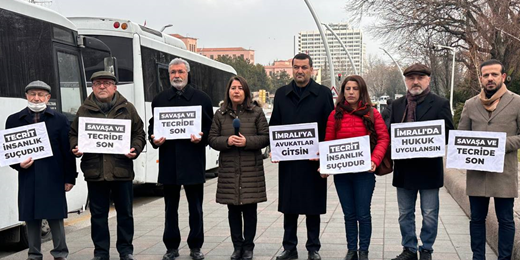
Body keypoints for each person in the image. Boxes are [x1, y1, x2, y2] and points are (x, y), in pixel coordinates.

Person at [69, 71, 146, 260]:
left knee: (125, 215)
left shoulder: (128, 108)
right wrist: (75, 147)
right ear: (93, 87)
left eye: (106, 83)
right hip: (95, 171)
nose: (102, 87)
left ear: (115, 87)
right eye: (97, 83)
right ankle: (101, 252)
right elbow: (73, 134)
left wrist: (135, 148)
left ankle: (126, 251)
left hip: (121, 170)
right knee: (98, 216)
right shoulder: (83, 110)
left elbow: (139, 134)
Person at [269, 53, 334, 260]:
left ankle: (313, 247)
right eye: (296, 67)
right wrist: (275, 147)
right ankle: (289, 247)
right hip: (289, 162)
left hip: (313, 162)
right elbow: (275, 125)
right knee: (289, 207)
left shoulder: (323, 94)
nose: (300, 71)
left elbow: (329, 127)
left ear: (311, 70)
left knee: (312, 207)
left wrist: (323, 154)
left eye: (304, 67)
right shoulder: (281, 94)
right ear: (292, 69)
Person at [148, 58, 213, 260]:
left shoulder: (202, 98)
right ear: (168, 75)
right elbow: (153, 126)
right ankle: (171, 247)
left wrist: (201, 138)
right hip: (169, 162)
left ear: (187, 73)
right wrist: (154, 140)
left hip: (193, 160)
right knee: (170, 209)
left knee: (196, 208)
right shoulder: (160, 99)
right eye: (173, 72)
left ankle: (196, 247)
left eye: (180, 72)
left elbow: (210, 130)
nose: (177, 75)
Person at [387, 63, 454, 260]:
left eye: (420, 78)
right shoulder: (398, 104)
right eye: (411, 78)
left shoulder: (440, 103)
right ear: (406, 81)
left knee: (430, 214)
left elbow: (449, 134)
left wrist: (428, 139)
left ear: (428, 80)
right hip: (404, 170)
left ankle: (426, 249)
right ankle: (409, 248)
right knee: (405, 214)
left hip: (429, 169)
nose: (415, 82)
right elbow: (390, 133)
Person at [5, 80, 77, 260]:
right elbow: (10, 153)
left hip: (53, 175)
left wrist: (70, 178)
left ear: (48, 97)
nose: (36, 98)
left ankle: (60, 253)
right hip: (28, 176)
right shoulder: (13, 120)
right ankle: (34, 254)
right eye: (33, 94)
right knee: (31, 217)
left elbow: (67, 152)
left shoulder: (59, 120)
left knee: (56, 217)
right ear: (26, 96)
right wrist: (18, 165)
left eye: (40, 95)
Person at [458, 59, 519, 260]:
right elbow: (462, 136)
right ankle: (478, 257)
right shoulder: (470, 104)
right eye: (486, 75)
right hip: (477, 173)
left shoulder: (517, 102)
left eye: (494, 75)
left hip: (504, 172)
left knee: (506, 220)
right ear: (481, 79)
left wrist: (499, 144)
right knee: (476, 219)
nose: (490, 79)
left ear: (503, 77)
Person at [323, 75, 390, 260]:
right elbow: (328, 143)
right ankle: (352, 250)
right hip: (342, 175)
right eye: (347, 89)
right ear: (343, 92)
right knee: (349, 214)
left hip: (364, 174)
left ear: (361, 91)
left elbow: (384, 138)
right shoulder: (334, 114)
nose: (351, 92)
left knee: (363, 213)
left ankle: (364, 251)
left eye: (355, 88)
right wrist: (325, 165)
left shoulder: (372, 113)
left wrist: (374, 159)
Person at [208, 76, 269, 260]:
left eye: (240, 88)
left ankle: (248, 247)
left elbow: (266, 137)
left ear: (246, 92)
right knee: (233, 211)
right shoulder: (220, 114)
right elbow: (211, 138)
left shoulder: (257, 113)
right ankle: (237, 246)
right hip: (229, 171)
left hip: (251, 170)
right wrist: (226, 141)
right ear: (228, 91)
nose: (236, 91)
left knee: (250, 211)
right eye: (233, 88)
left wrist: (246, 141)